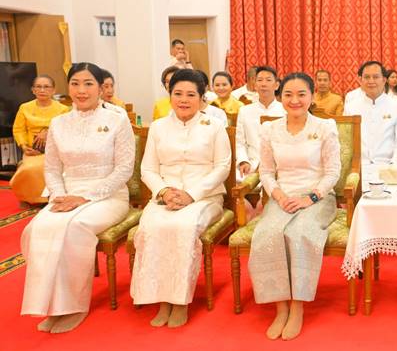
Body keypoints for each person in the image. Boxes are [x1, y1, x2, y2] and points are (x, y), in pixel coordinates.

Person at [20, 63, 134, 333]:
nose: (81, 91)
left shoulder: (117, 120)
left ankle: (73, 306)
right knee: (37, 228)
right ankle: (50, 305)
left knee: (74, 228)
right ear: (68, 87)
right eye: (75, 84)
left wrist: (85, 197)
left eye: (88, 84)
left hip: (108, 195)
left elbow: (124, 169)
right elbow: (51, 168)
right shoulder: (59, 123)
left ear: (100, 87)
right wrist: (59, 196)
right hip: (67, 194)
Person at [131, 69, 232, 328]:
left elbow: (222, 167)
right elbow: (148, 169)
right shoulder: (158, 127)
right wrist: (164, 192)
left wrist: (191, 195)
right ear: (170, 95)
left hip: (205, 196)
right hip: (166, 195)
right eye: (178, 94)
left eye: (190, 94)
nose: (184, 100)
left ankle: (179, 301)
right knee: (152, 226)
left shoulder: (215, 126)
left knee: (182, 227)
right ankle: (160, 299)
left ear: (201, 98)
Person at [248, 73, 341, 341]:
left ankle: (298, 306)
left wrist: (310, 197)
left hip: (317, 197)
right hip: (282, 196)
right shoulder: (270, 129)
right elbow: (266, 172)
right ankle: (281, 306)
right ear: (280, 96)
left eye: (302, 94)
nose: (295, 100)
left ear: (312, 96)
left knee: (299, 233)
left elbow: (333, 172)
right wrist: (278, 195)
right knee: (267, 234)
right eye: (288, 94)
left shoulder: (325, 127)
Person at [10, 75, 70, 203]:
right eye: (39, 87)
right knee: (29, 169)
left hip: (55, 151)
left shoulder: (62, 109)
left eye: (46, 87)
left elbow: (66, 131)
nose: (42, 90)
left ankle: (51, 197)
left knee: (48, 167)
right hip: (32, 151)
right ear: (33, 90)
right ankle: (32, 199)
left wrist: (48, 132)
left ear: (53, 90)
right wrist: (24, 146)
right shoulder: (24, 108)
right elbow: (18, 129)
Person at [343, 61, 397, 165]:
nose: (371, 81)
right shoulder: (351, 107)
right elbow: (346, 140)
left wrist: (394, 165)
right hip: (359, 167)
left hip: (387, 166)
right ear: (360, 80)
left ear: (384, 80)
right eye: (367, 77)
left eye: (376, 77)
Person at [236, 66, 287, 181]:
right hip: (251, 165)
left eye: (268, 80)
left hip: (280, 166)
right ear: (255, 85)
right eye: (259, 80)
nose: (263, 84)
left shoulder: (285, 110)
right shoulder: (244, 111)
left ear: (277, 85)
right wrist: (244, 161)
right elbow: (239, 142)